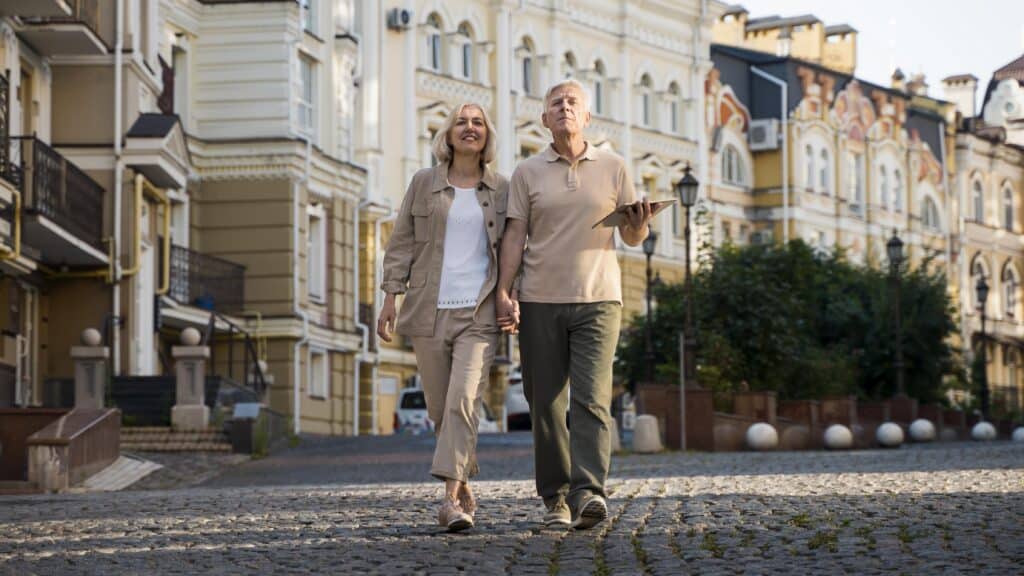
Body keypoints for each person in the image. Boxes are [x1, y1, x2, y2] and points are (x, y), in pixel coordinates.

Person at [497, 79, 653, 530]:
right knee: (544, 403)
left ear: (587, 117)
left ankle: (589, 494)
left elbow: (630, 233)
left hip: (600, 299)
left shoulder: (614, 166)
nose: (564, 108)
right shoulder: (527, 172)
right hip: (541, 299)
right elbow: (514, 237)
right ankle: (556, 499)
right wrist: (505, 292)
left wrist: (640, 226)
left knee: (591, 399)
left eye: (572, 103)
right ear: (544, 119)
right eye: (555, 104)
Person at [378, 103, 513, 532]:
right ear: (448, 135)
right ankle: (464, 480)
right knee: (442, 410)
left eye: (477, 122)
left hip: (480, 312)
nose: (469, 128)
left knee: (462, 399)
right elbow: (401, 243)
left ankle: (448, 502)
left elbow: (514, 251)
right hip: (429, 309)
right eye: (461, 122)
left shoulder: (503, 190)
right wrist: (388, 299)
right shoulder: (423, 183)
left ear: (486, 135)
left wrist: (513, 298)